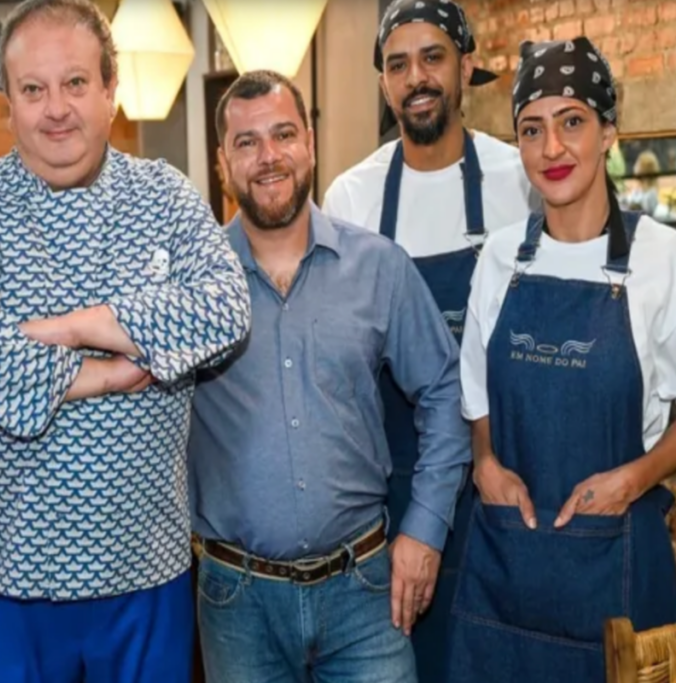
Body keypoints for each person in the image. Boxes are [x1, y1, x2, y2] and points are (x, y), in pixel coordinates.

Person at [0, 1, 251, 681]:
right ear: (8, 103)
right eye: (33, 89)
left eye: (74, 83)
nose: (55, 108)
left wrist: (73, 325)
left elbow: (225, 308)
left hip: (146, 569)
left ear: (109, 89)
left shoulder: (165, 194)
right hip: (8, 576)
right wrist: (109, 371)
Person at [188, 69, 470, 683]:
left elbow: (446, 393)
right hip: (237, 605)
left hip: (366, 595)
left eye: (284, 134)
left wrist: (425, 531)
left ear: (310, 143)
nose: (269, 157)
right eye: (247, 142)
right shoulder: (191, 289)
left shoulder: (379, 269)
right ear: (221, 162)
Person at [448, 37, 676, 683]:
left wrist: (634, 478)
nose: (551, 149)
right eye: (531, 129)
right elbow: (477, 398)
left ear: (609, 131)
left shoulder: (663, 258)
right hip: (506, 573)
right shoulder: (499, 258)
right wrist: (485, 461)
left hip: (619, 571)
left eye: (572, 121)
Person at [321, 3, 536, 679]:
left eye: (433, 57)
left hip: (505, 481)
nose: (417, 77)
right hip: (395, 497)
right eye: (398, 63)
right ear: (384, 83)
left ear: (466, 66)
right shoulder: (352, 197)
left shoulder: (521, 181)